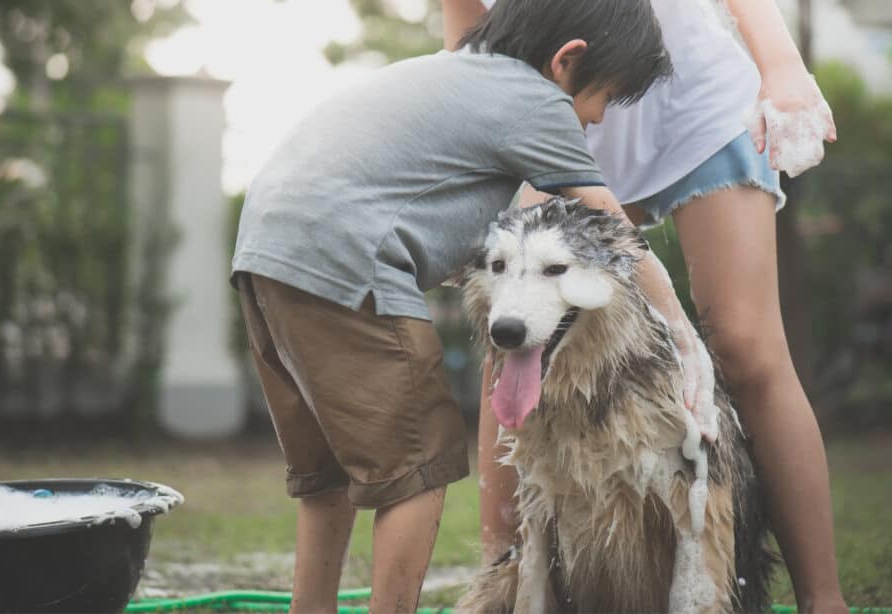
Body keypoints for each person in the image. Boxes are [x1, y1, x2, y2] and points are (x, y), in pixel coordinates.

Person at [230, 1, 675, 611]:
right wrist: (679, 334)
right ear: (567, 60)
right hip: (348, 257)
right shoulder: (534, 99)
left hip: (265, 255)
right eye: (602, 99)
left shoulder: (455, 72)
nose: (595, 121)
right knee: (421, 464)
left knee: (327, 472)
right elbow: (612, 229)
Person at [442, 1, 847, 612]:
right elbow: (468, 22)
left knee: (745, 344)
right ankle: (505, 589)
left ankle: (824, 600)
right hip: (553, 105)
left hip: (694, 99)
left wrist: (781, 64)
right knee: (518, 333)